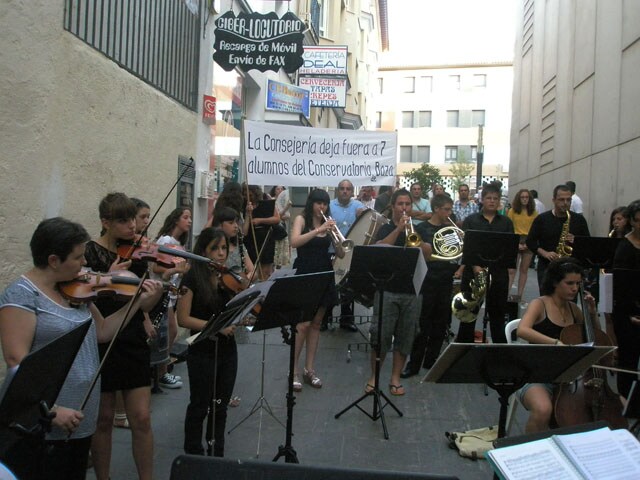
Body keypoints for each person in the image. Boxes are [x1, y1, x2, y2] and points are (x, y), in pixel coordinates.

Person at [0, 217, 161, 480]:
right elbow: (17, 361)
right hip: (43, 422)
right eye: (78, 257)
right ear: (54, 260)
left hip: (80, 416)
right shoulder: (22, 296)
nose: (85, 264)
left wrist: (138, 303)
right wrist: (50, 410)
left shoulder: (73, 292)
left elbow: (103, 332)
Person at [85, 193, 160, 480]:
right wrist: (107, 275)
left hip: (130, 337)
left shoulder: (137, 255)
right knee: (103, 419)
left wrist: (152, 297)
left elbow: (144, 305)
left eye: (133, 219)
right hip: (102, 338)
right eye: (124, 220)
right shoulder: (89, 253)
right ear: (105, 222)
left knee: (141, 417)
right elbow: (82, 296)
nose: (132, 226)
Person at [176, 228, 238, 457]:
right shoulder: (192, 277)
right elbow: (183, 319)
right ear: (203, 251)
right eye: (215, 249)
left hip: (227, 350)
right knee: (200, 404)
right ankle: (193, 453)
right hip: (202, 350)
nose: (221, 254)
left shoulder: (227, 278)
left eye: (224, 248)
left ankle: (216, 451)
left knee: (220, 406)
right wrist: (216, 327)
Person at [516, 258, 597, 433]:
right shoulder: (539, 304)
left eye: (578, 283)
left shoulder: (574, 310)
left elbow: (594, 337)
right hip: (535, 374)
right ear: (555, 282)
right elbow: (522, 330)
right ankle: (527, 449)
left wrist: (592, 313)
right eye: (569, 283)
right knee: (543, 410)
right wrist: (555, 342)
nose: (575, 288)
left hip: (568, 378)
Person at [366, 189, 422, 396]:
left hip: (411, 291)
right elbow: (380, 247)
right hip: (387, 289)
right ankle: (374, 377)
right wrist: (399, 229)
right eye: (400, 204)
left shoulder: (418, 228)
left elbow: (427, 253)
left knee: (405, 337)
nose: (404, 207)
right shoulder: (385, 228)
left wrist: (418, 240)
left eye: (407, 204)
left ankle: (395, 378)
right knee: (380, 336)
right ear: (393, 207)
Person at [401, 194, 459, 378]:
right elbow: (414, 249)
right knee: (423, 322)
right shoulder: (423, 228)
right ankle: (414, 363)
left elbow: (457, 252)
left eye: (450, 209)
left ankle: (432, 361)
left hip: (445, 277)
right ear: (436, 209)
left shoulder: (451, 229)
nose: (449, 213)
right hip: (427, 278)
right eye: (446, 209)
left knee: (440, 322)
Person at [290, 189, 342, 390]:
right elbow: (294, 242)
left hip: (324, 273)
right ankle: (293, 370)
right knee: (302, 324)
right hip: (305, 272)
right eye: (319, 203)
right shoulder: (301, 220)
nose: (322, 207)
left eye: (325, 204)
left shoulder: (328, 223)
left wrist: (337, 240)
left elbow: (340, 254)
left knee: (316, 323)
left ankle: (309, 369)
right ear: (312, 203)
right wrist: (317, 231)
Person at [455, 183, 514, 344]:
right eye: (488, 198)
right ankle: (464, 348)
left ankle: (498, 351)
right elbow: (468, 247)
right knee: (469, 312)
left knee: (497, 313)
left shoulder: (506, 222)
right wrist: (477, 268)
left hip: (498, 272)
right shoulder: (471, 220)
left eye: (495, 198)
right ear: (482, 200)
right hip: (474, 272)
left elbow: (509, 248)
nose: (492, 201)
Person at [149, 207, 192, 389]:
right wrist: (177, 270)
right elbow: (156, 268)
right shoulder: (166, 240)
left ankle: (161, 371)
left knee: (169, 333)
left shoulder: (177, 241)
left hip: (170, 293)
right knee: (170, 332)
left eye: (190, 217)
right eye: (185, 217)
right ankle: (162, 373)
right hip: (161, 292)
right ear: (176, 220)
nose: (189, 221)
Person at [526, 184, 590, 294]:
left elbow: (588, 243)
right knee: (547, 300)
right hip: (547, 267)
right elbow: (530, 241)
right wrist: (544, 253)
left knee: (569, 304)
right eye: (561, 200)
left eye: (568, 200)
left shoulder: (579, 220)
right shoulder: (542, 219)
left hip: (571, 269)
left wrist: (577, 240)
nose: (565, 203)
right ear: (554, 200)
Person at [612, 200, 640, 400]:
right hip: (629, 313)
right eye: (638, 221)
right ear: (631, 221)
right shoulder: (625, 247)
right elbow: (621, 289)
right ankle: (626, 401)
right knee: (628, 359)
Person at [329, 179, 365, 331]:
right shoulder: (329, 205)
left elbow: (368, 219)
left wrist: (362, 215)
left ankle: (346, 319)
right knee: (329, 284)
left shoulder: (358, 206)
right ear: (338, 190)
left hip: (350, 252)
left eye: (348, 189)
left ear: (352, 191)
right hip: (331, 250)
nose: (345, 191)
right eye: (342, 188)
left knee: (348, 287)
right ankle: (325, 318)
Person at [507, 189, 538, 301]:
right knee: (511, 270)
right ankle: (507, 293)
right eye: (522, 197)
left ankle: (520, 295)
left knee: (524, 269)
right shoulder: (512, 211)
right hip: (515, 238)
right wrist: (515, 243)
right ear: (518, 199)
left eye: (526, 197)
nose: (524, 199)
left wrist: (528, 243)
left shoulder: (533, 212)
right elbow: (509, 227)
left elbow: (536, 228)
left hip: (528, 239)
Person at [244, 185, 280, 281]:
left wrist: (260, 220)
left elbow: (277, 218)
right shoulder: (243, 203)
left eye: (252, 195)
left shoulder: (266, 200)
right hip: (250, 240)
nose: (249, 197)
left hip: (265, 238)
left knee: (265, 270)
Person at [271, 185, 292, 269]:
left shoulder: (284, 201)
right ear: (274, 190)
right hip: (275, 229)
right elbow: (277, 217)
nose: (280, 190)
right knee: (275, 251)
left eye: (281, 189)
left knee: (282, 251)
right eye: (277, 189)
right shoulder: (272, 201)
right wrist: (286, 208)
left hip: (282, 228)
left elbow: (288, 216)